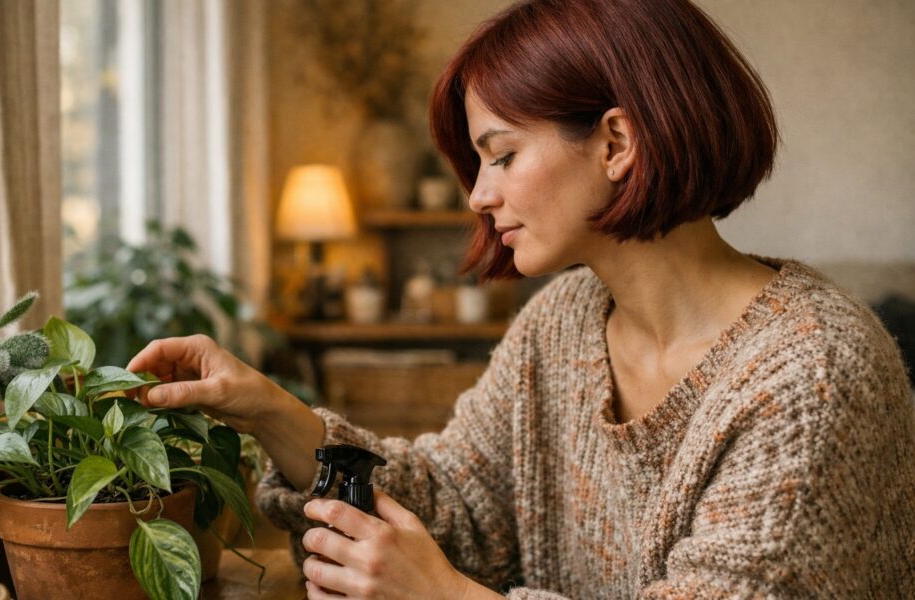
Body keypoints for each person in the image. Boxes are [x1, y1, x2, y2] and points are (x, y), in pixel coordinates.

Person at [128, 0, 915, 597]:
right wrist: (269, 407)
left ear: (616, 143)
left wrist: (442, 594)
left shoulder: (811, 379)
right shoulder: (563, 324)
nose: (477, 195)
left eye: (500, 156)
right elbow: (457, 505)